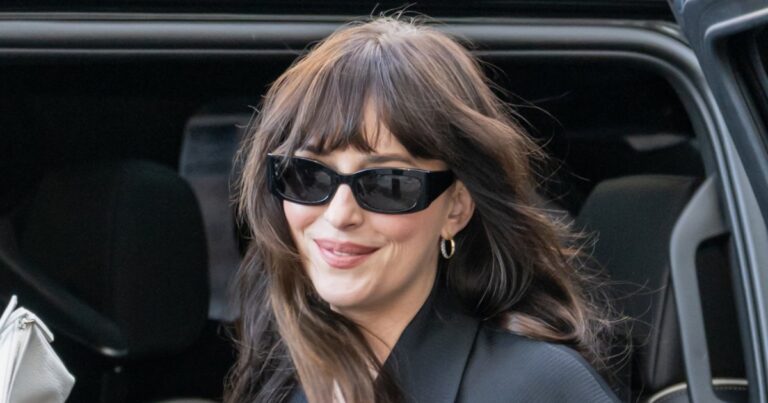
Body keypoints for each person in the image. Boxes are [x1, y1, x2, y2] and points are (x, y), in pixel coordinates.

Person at [228, 14, 621, 403]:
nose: (339, 214)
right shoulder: (280, 378)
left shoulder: (539, 385)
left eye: (387, 184)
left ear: (456, 209)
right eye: (308, 176)